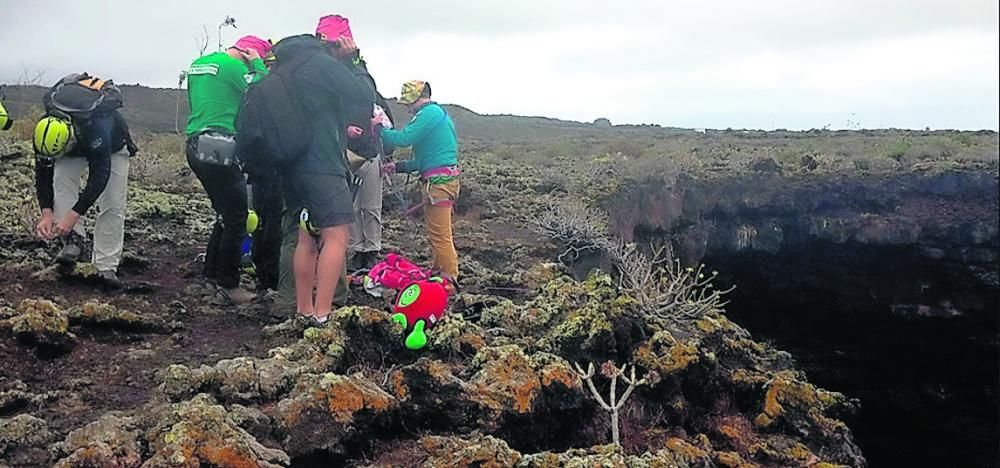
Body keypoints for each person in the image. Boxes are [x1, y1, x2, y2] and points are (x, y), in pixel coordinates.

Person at [269, 31, 373, 323]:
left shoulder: (289, 64)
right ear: (338, 43)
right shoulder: (322, 64)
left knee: (306, 236)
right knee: (336, 236)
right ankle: (323, 313)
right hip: (322, 165)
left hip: (292, 165)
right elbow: (364, 95)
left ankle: (303, 310)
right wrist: (355, 61)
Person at [185, 35, 270, 304]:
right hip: (220, 145)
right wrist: (258, 65)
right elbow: (265, 89)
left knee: (225, 214)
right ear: (249, 52)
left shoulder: (199, 64)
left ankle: (211, 275)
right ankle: (229, 285)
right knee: (237, 218)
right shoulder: (235, 67)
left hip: (195, 142)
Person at [33, 74, 139, 288]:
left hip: (112, 148)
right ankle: (74, 242)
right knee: (60, 178)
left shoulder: (96, 127)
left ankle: (105, 266)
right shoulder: (45, 131)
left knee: (112, 202)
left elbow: (100, 176)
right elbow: (43, 173)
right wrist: (46, 213)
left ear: (70, 137)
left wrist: (73, 215)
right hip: (75, 147)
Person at [315, 15, 396, 272]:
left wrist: (385, 142)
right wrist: (342, 129)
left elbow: (378, 107)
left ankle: (370, 249)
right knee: (349, 206)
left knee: (369, 205)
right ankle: (353, 249)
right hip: (341, 151)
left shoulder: (361, 78)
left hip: (368, 151)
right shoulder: (325, 76)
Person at [378, 81, 460, 281]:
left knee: (441, 236)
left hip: (438, 185)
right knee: (436, 234)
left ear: (417, 99)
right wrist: (398, 167)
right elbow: (425, 160)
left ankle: (449, 281)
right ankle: (439, 273)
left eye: (408, 103)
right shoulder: (436, 114)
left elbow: (403, 139)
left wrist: (378, 128)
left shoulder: (428, 114)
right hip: (440, 182)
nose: (407, 109)